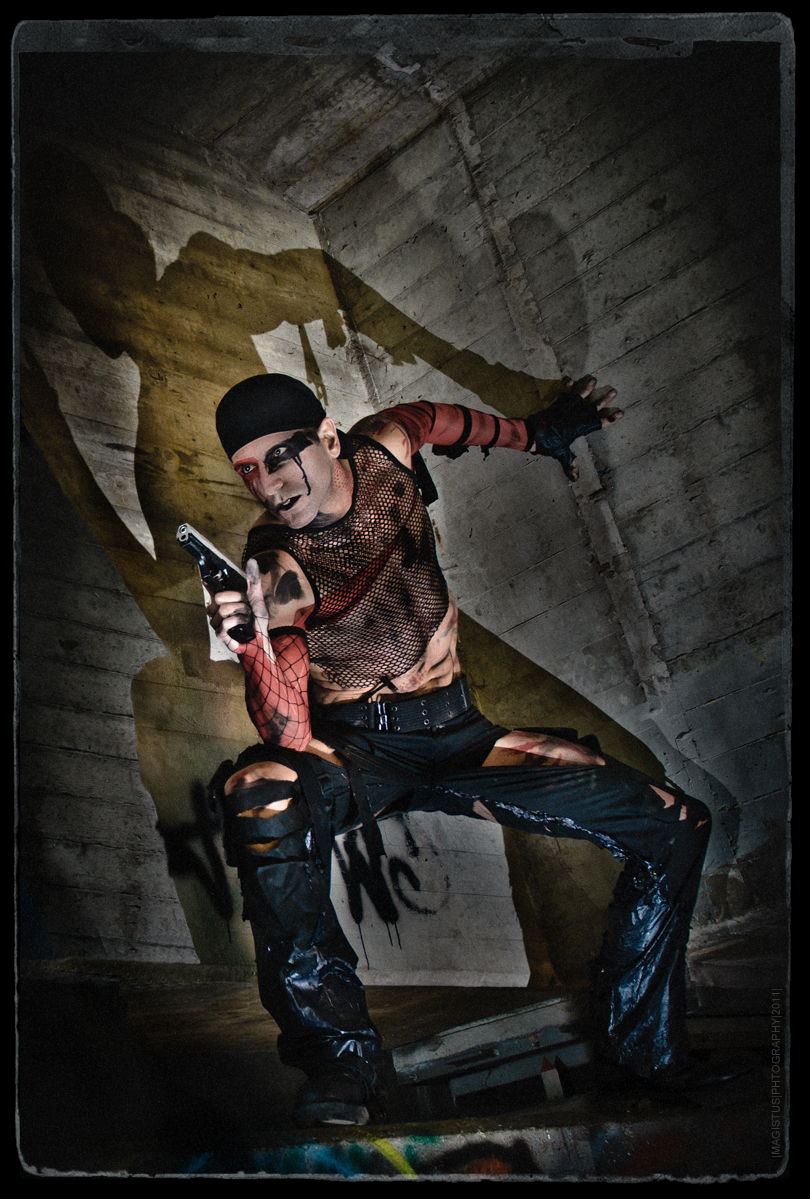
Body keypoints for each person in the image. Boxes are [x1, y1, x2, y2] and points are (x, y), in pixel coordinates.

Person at [206, 371, 714, 1128]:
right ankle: (340, 1060)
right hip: (359, 755)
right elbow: (287, 737)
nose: (271, 486)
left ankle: (644, 1050)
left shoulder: (389, 447)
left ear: (331, 437)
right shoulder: (277, 565)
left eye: (283, 456)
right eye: (249, 470)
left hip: (464, 737)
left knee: (678, 822)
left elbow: (443, 420)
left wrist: (538, 434)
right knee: (258, 792)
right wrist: (251, 644)